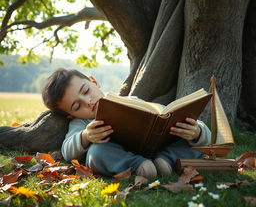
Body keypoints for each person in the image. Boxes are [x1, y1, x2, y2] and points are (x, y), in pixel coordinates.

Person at [42, 68, 211, 179]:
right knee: (97, 153)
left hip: (159, 149)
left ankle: (166, 161)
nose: (88, 101)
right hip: (123, 155)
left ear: (94, 82)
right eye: (77, 106)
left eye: (86, 91)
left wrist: (196, 133)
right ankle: (140, 167)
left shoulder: (131, 101)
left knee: (192, 141)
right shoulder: (83, 123)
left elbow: (165, 113)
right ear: (71, 116)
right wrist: (86, 136)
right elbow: (67, 150)